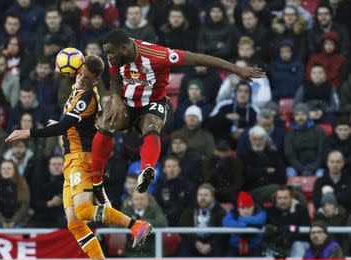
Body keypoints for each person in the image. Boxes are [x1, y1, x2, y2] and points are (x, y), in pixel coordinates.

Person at [5, 55, 153, 260]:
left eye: (87, 76)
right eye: (80, 73)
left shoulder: (86, 96)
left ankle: (136, 225)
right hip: (70, 159)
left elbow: (64, 127)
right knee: (74, 222)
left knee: (83, 211)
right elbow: (72, 125)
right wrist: (63, 125)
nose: (82, 77)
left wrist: (27, 132)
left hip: (81, 158)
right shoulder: (77, 91)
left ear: (95, 79)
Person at [92, 28, 264, 202]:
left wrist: (236, 69)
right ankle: (97, 182)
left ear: (123, 48)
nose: (109, 57)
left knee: (151, 127)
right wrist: (115, 98)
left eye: (110, 53)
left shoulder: (159, 55)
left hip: (153, 103)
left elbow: (199, 59)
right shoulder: (115, 54)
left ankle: (147, 170)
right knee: (106, 124)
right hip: (127, 101)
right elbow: (114, 80)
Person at [178, 184, 227, 257]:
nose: (202, 198)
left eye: (206, 195)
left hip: (212, 243)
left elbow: (222, 232)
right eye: (200, 195)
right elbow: (182, 227)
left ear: (212, 197)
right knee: (184, 247)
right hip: (194, 242)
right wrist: (196, 242)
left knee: (220, 249)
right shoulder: (190, 209)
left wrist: (210, 244)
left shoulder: (220, 211)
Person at [240, 125, 286, 200]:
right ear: (250, 139)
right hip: (254, 191)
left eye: (260, 139)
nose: (258, 142)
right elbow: (245, 178)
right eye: (255, 139)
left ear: (265, 139)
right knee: (280, 192)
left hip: (274, 190)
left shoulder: (274, 154)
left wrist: (257, 172)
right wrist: (265, 171)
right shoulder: (244, 157)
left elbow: (282, 176)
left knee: (295, 191)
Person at [265, 186, 311, 258]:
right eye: (279, 198)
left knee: (298, 245)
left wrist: (288, 232)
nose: (282, 201)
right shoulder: (271, 211)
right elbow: (269, 231)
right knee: (270, 247)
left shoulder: (301, 210)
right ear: (276, 199)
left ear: (291, 198)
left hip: (296, 243)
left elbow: (305, 233)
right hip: (278, 244)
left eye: (285, 198)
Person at [209, 81, 259, 147]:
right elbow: (209, 124)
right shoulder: (224, 105)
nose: (243, 94)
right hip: (222, 145)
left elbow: (258, 129)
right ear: (235, 93)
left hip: (244, 145)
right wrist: (225, 117)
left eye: (246, 92)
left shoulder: (255, 111)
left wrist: (245, 132)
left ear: (250, 95)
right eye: (240, 91)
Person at [152, 155, 195, 226]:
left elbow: (189, 206)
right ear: (164, 170)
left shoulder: (187, 186)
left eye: (174, 166)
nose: (172, 169)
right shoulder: (159, 187)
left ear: (179, 168)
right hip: (164, 223)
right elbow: (156, 206)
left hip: (183, 223)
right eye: (169, 166)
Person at [284, 103, 326, 177]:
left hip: (317, 167)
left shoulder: (319, 131)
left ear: (308, 116)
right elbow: (290, 155)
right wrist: (302, 169)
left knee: (321, 175)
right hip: (296, 168)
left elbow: (321, 152)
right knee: (289, 173)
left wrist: (312, 168)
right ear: (294, 117)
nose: (300, 117)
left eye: (303, 114)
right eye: (297, 115)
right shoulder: (289, 134)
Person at [0, 160, 31, 229]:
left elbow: (24, 205)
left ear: (15, 170)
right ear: (0, 171)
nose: (6, 171)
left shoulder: (22, 184)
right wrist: (2, 222)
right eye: (3, 169)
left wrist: (14, 221)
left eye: (9, 168)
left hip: (19, 221)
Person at [222, 191, 267, 257]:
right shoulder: (233, 212)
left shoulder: (260, 211)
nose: (245, 211)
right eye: (242, 208)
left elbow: (259, 220)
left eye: (248, 208)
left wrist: (240, 219)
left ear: (253, 207)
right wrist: (246, 225)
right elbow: (226, 222)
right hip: (235, 247)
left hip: (255, 247)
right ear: (238, 209)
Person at [29, 155, 65, 228]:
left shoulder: (70, 181)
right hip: (42, 215)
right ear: (49, 166)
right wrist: (49, 203)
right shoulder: (39, 181)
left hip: (63, 215)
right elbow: (34, 202)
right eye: (54, 164)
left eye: (59, 164)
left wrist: (61, 199)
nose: (56, 167)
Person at [314, 190, 350, 255]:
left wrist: (344, 255)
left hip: (342, 248)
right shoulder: (319, 216)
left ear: (335, 205)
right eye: (324, 205)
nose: (327, 208)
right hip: (325, 250)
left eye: (330, 204)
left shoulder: (343, 215)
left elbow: (346, 238)